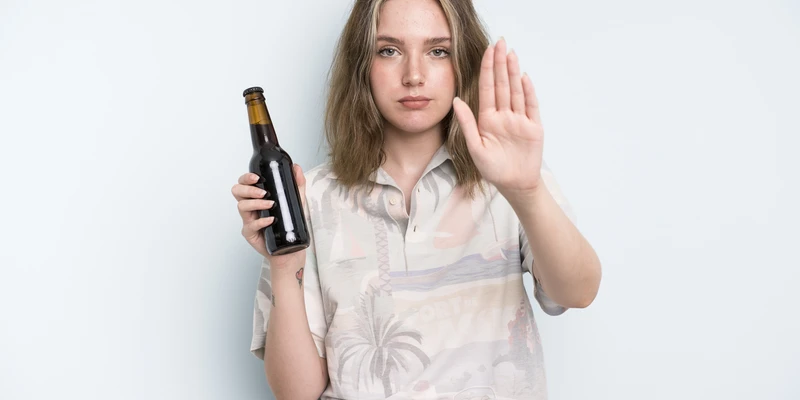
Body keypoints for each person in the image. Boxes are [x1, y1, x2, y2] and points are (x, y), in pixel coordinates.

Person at [231, 0, 602, 398]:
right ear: (362, 65)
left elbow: (577, 292)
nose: (414, 76)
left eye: (438, 51)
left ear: (463, 63)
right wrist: (285, 265)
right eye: (389, 50)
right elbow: (297, 393)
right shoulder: (313, 196)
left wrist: (526, 192)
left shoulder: (509, 175)